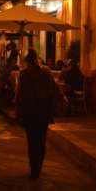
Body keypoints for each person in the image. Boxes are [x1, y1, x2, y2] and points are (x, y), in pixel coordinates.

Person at [16, 48, 61, 179]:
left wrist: (18, 112)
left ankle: (33, 166)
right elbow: (54, 89)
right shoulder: (46, 72)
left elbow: (20, 95)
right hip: (43, 112)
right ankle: (39, 165)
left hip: (30, 113)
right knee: (41, 140)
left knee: (32, 141)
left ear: (27, 61)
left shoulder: (24, 74)